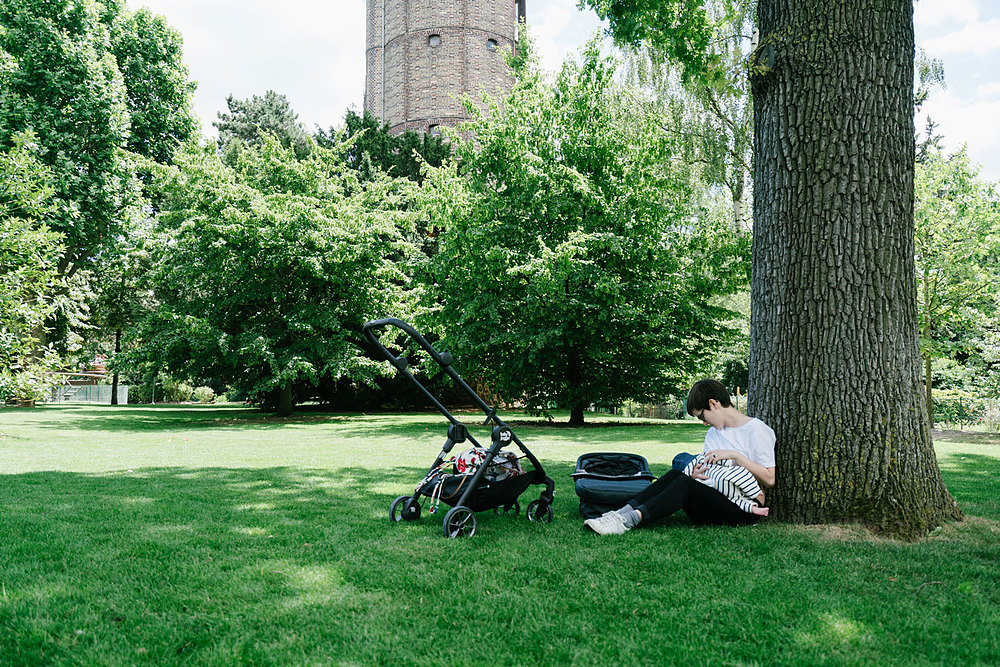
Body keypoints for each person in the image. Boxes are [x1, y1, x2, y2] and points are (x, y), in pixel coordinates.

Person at [584, 378, 776, 535]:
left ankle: (629, 520)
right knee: (678, 475)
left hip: (743, 508)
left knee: (683, 484)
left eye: (702, 416)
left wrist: (736, 455)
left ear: (713, 404)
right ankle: (620, 513)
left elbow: (769, 479)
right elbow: (710, 473)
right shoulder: (713, 434)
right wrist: (697, 474)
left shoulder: (756, 430)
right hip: (712, 498)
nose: (703, 423)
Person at [680, 454, 769, 516]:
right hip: (710, 480)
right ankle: (754, 500)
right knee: (680, 465)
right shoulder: (704, 458)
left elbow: (740, 499)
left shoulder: (740, 474)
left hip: (725, 488)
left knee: (739, 500)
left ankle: (754, 506)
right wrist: (690, 474)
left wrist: (688, 474)